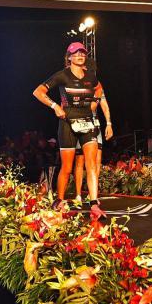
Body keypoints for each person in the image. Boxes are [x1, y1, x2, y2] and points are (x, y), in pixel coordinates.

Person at [33, 42, 105, 218]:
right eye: (76, 53)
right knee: (67, 166)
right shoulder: (62, 75)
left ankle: (94, 204)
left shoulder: (91, 76)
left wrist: (94, 104)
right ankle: (60, 200)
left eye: (83, 53)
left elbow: (99, 90)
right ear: (69, 57)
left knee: (91, 165)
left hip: (87, 123)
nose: (80, 55)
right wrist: (55, 106)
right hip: (67, 123)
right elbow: (38, 92)